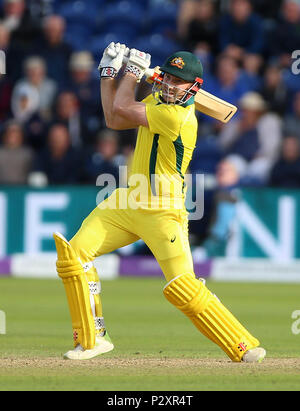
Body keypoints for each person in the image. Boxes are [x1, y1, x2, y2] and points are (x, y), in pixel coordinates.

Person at [53, 42, 266, 363]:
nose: (167, 84)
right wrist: (109, 72)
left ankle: (243, 344)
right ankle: (92, 338)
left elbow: (124, 106)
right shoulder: (157, 99)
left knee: (184, 289)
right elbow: (113, 118)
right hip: (126, 201)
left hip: (164, 211)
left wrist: (133, 73)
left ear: (194, 88)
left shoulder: (178, 118)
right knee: (74, 256)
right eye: (166, 77)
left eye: (176, 81)